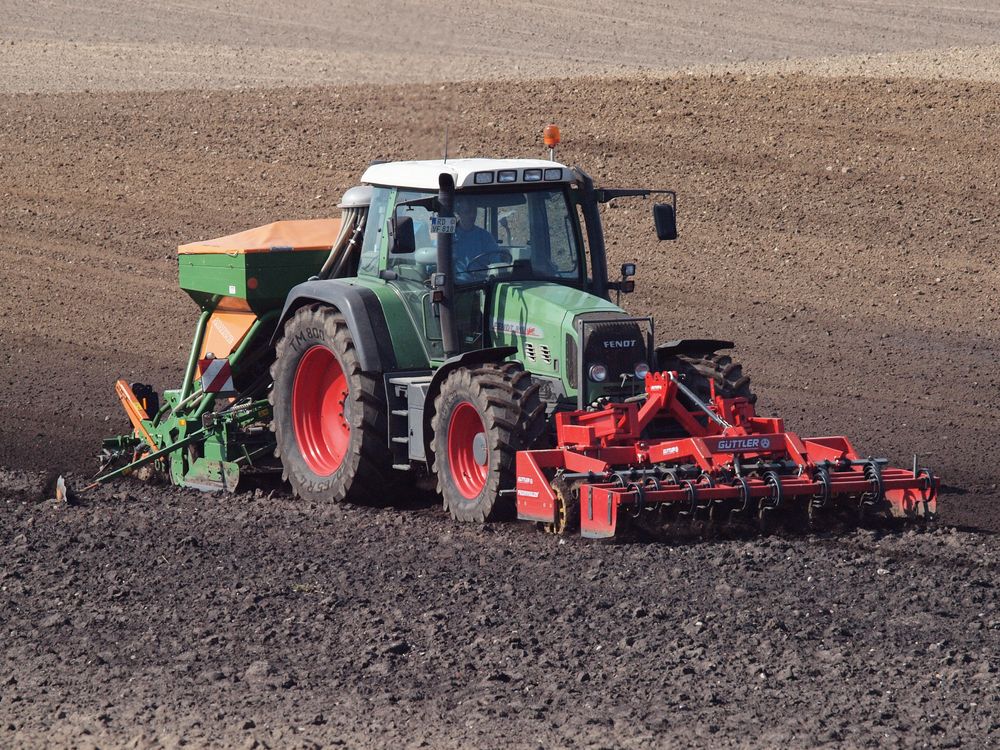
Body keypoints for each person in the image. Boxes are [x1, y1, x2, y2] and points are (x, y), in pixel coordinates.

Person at [453, 197, 500, 274]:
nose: (472, 215)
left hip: (481, 282)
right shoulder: (448, 237)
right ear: (458, 213)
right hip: (456, 283)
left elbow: (496, 261)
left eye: (474, 211)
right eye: (467, 212)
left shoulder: (485, 236)